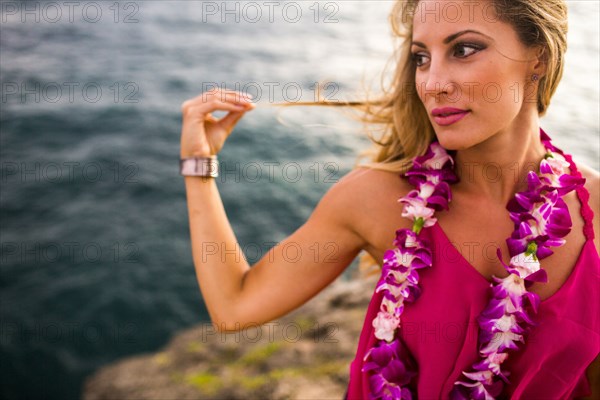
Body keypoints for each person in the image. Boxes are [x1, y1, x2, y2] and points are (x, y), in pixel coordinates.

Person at [178, 0, 599, 398]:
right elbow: (234, 307)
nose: (432, 84)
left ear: (538, 57)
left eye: (464, 49)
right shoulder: (380, 200)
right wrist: (198, 165)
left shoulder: (595, 207)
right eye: (421, 57)